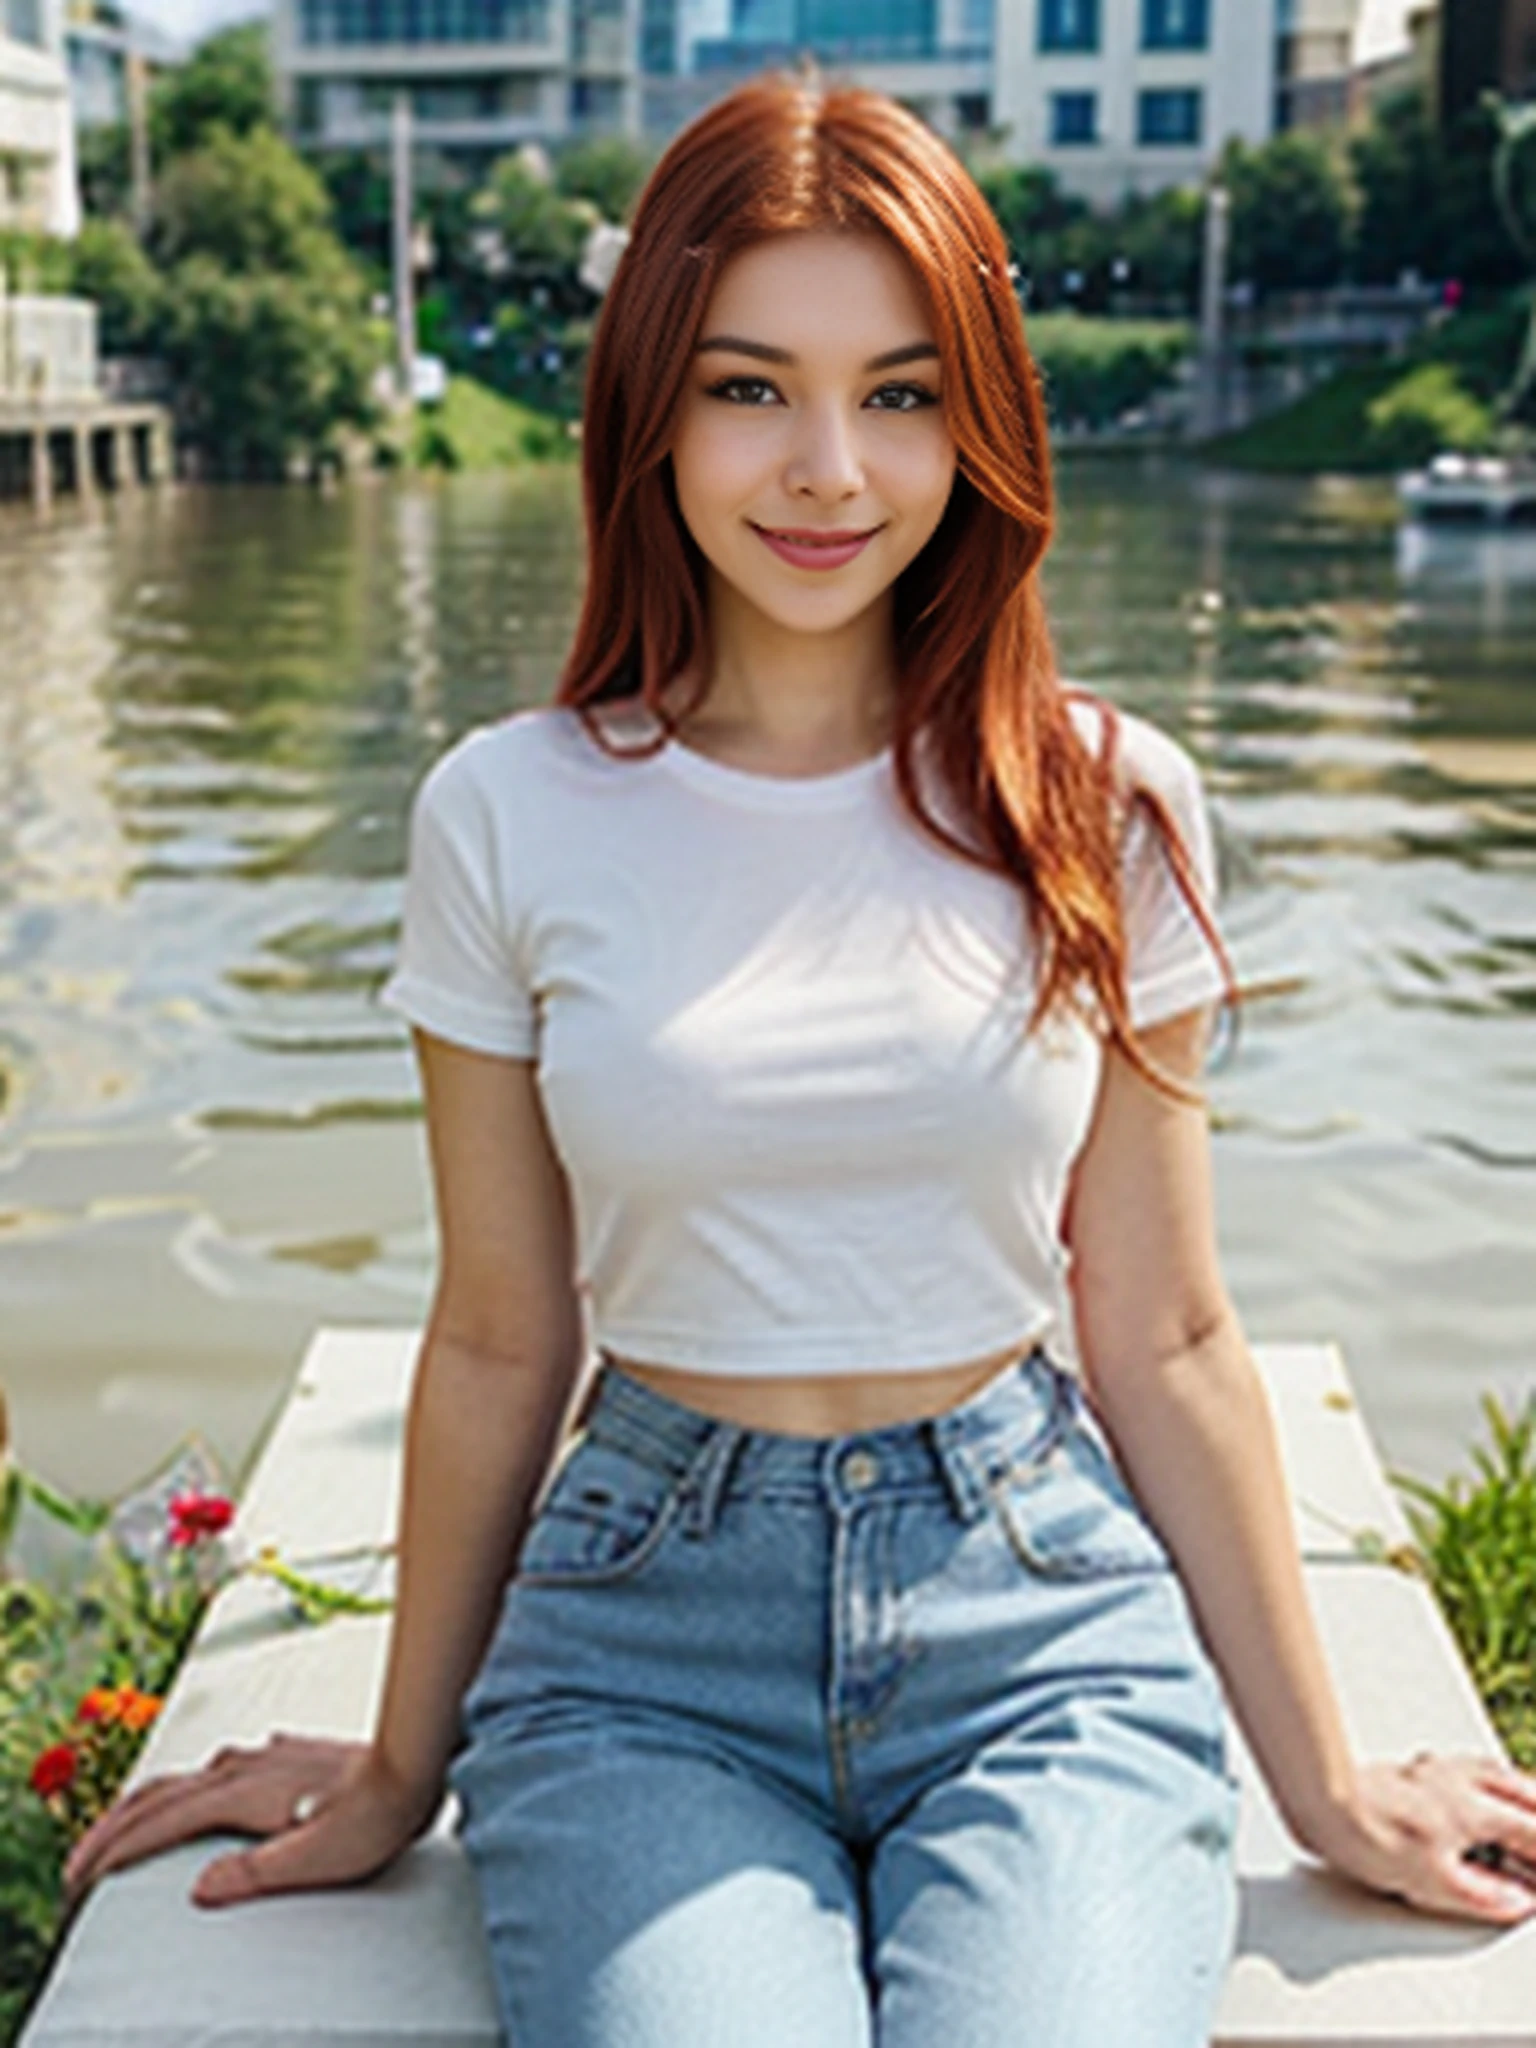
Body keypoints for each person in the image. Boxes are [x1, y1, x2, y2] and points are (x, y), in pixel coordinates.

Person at [62, 71, 1536, 2048]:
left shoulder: (1098, 797)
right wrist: (405, 1765)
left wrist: (1329, 1781)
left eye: (903, 392)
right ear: (652, 405)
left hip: (1040, 1619)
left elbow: (1168, 1330)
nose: (830, 467)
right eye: (754, 386)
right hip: (642, 1640)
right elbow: (503, 1333)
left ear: (978, 420)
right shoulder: (507, 812)